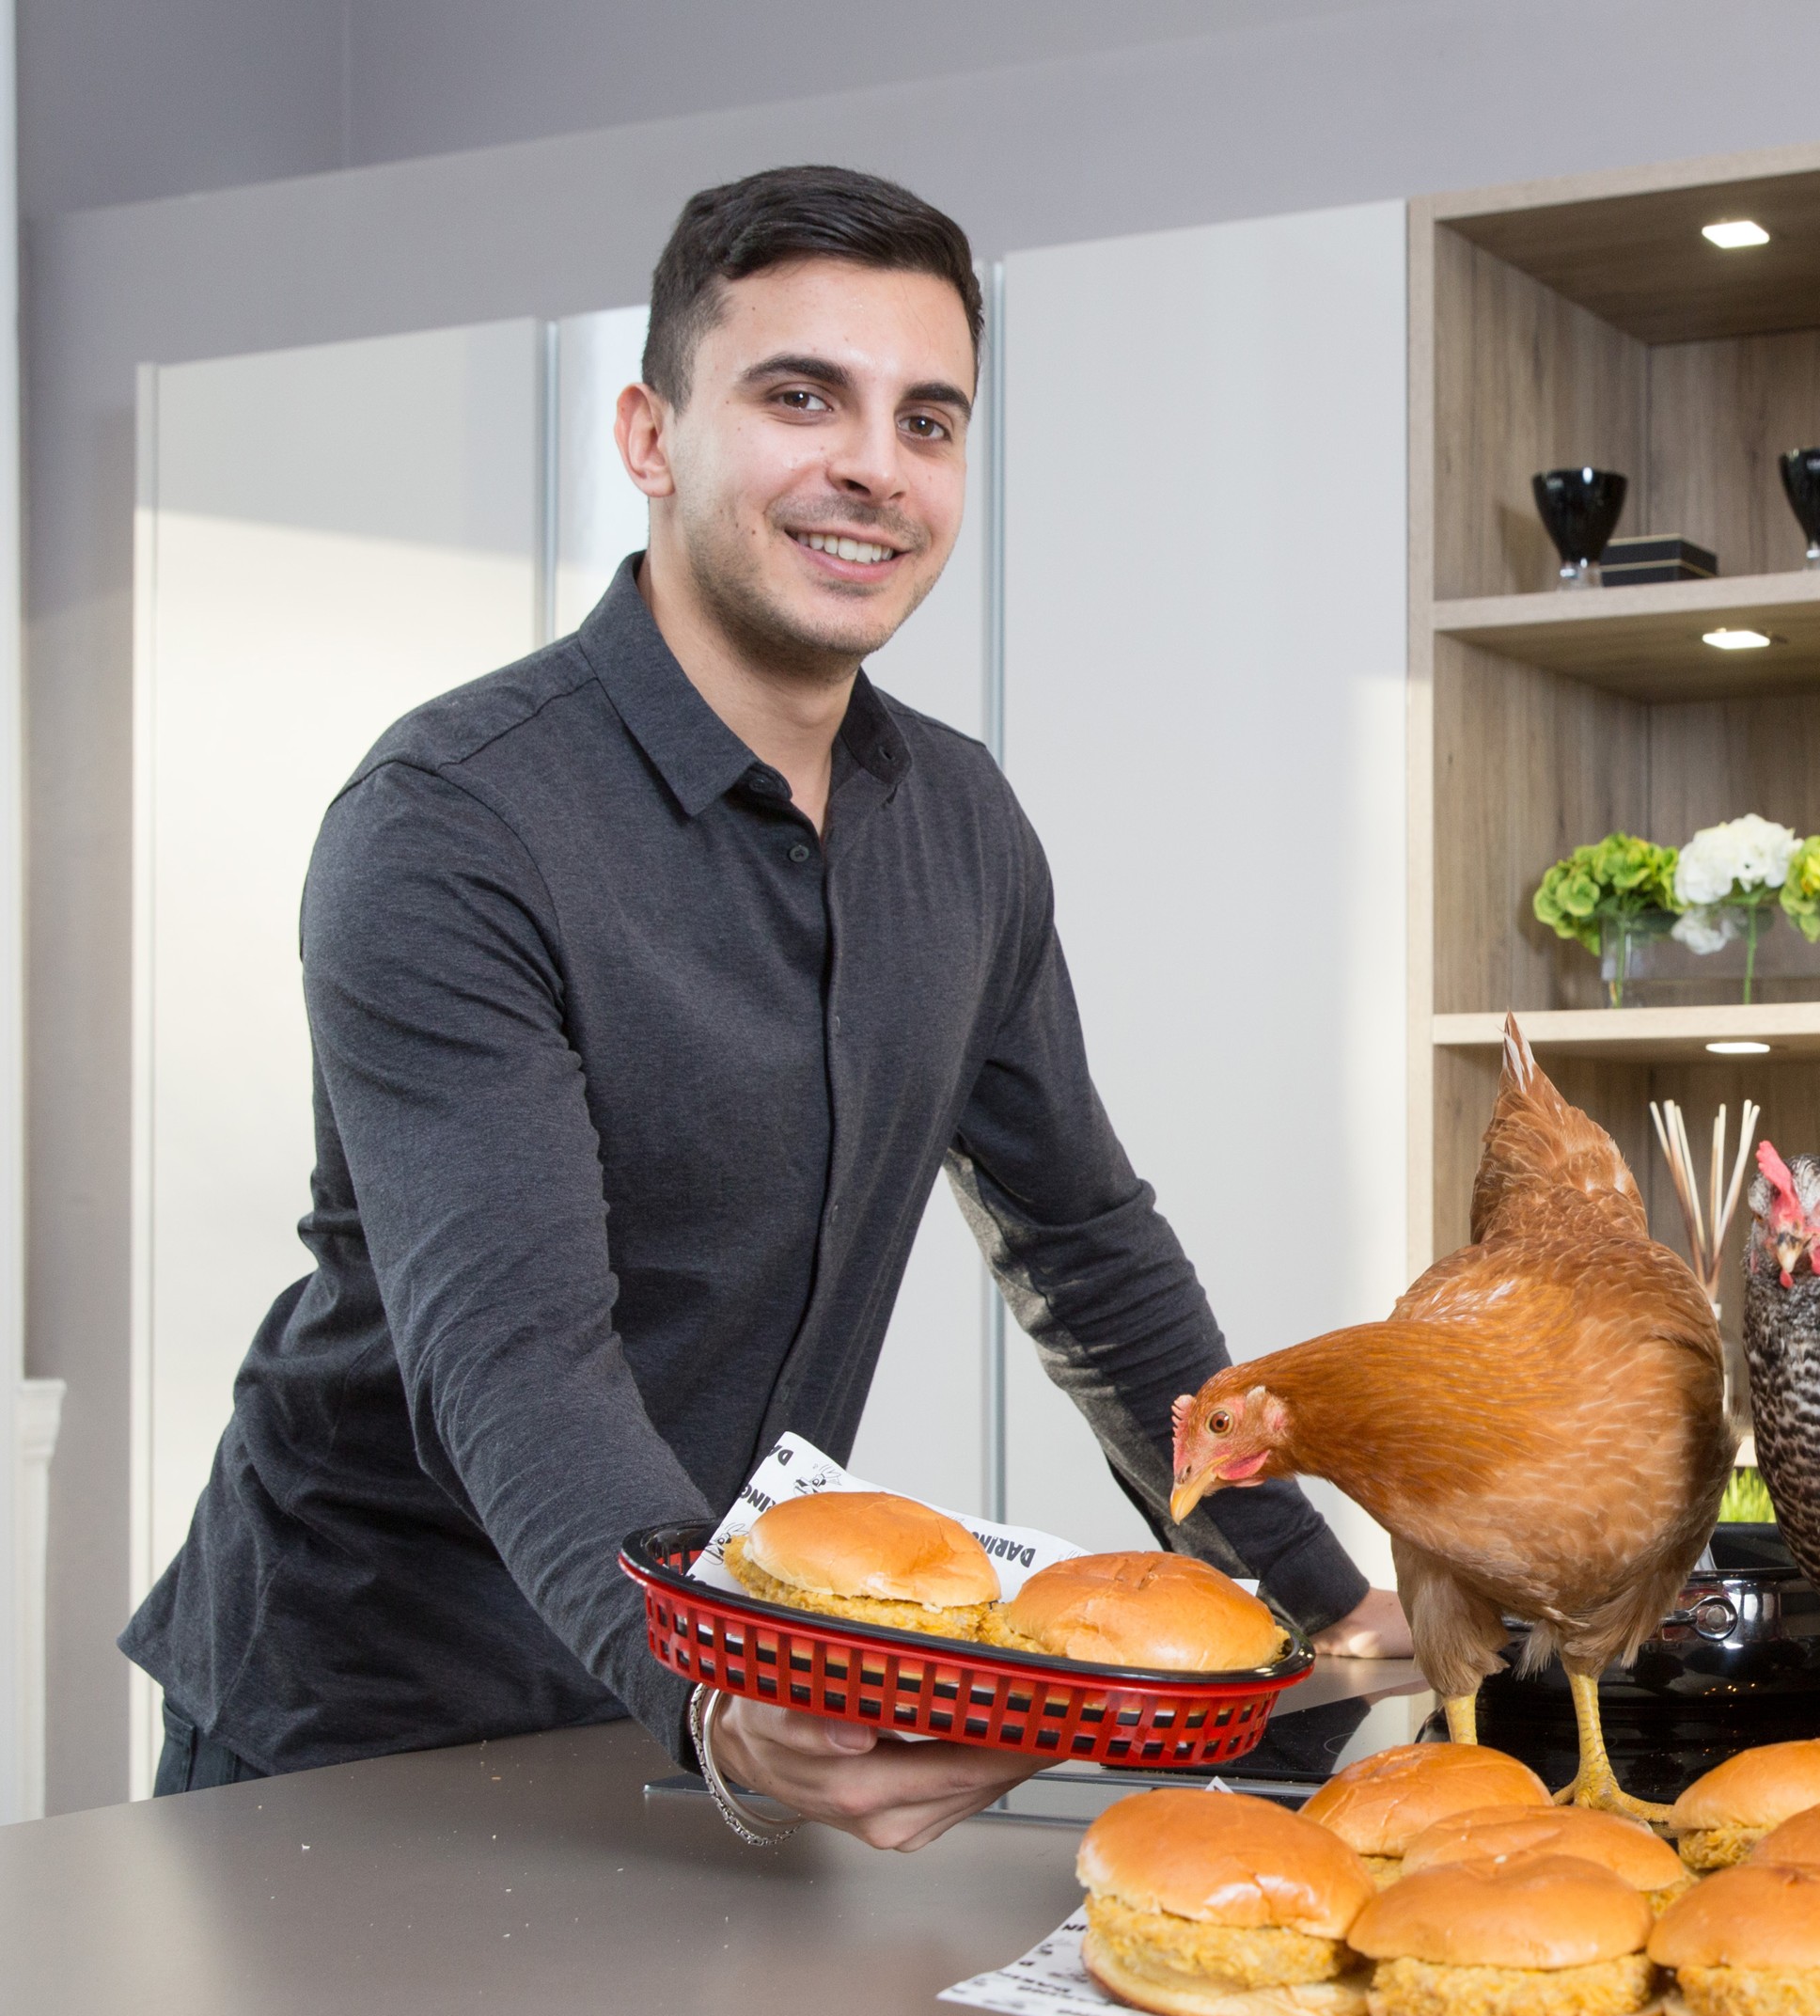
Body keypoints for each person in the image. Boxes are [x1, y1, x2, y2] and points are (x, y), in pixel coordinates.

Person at [122, 165, 1405, 1849]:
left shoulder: (959, 825)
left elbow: (1087, 1247)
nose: (874, 463)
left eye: (927, 419)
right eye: (803, 396)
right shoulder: (451, 820)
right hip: (368, 1719)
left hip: (717, 1691)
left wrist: (1309, 1604)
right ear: (651, 435)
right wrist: (724, 1684)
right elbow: (512, 1348)